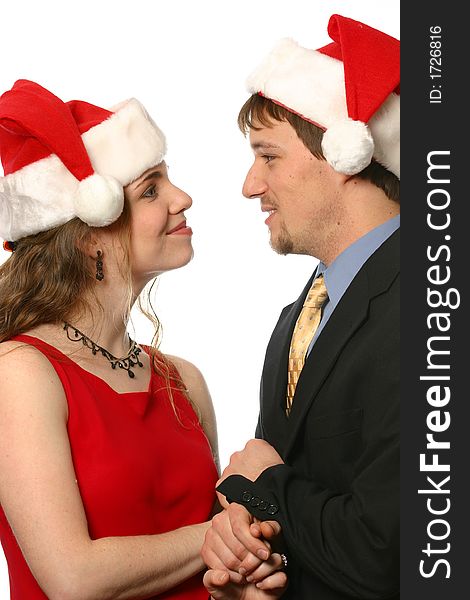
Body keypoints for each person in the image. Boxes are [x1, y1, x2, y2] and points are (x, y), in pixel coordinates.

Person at [0, 80, 286, 599]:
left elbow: (214, 575)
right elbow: (74, 580)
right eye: (151, 189)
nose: (183, 198)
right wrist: (222, 536)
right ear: (89, 236)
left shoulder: (183, 380)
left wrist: (246, 581)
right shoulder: (19, 371)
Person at [202, 13, 400, 599]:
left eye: (269, 156)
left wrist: (263, 487)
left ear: (346, 156)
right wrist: (237, 537)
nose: (249, 185)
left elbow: (392, 552)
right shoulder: (301, 315)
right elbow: (272, 501)